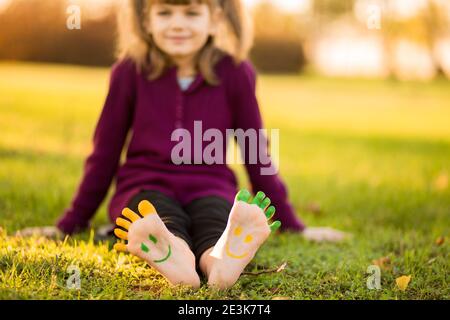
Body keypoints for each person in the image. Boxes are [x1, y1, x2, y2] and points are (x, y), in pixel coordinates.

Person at [45, 0, 347, 289]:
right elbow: (104, 154)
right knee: (154, 215)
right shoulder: (129, 71)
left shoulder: (235, 73)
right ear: (145, 20)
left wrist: (294, 224)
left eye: (191, 13)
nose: (178, 25)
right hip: (144, 185)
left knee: (216, 217)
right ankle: (175, 253)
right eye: (164, 13)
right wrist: (70, 223)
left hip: (211, 187)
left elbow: (256, 152)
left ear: (215, 18)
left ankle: (220, 263)